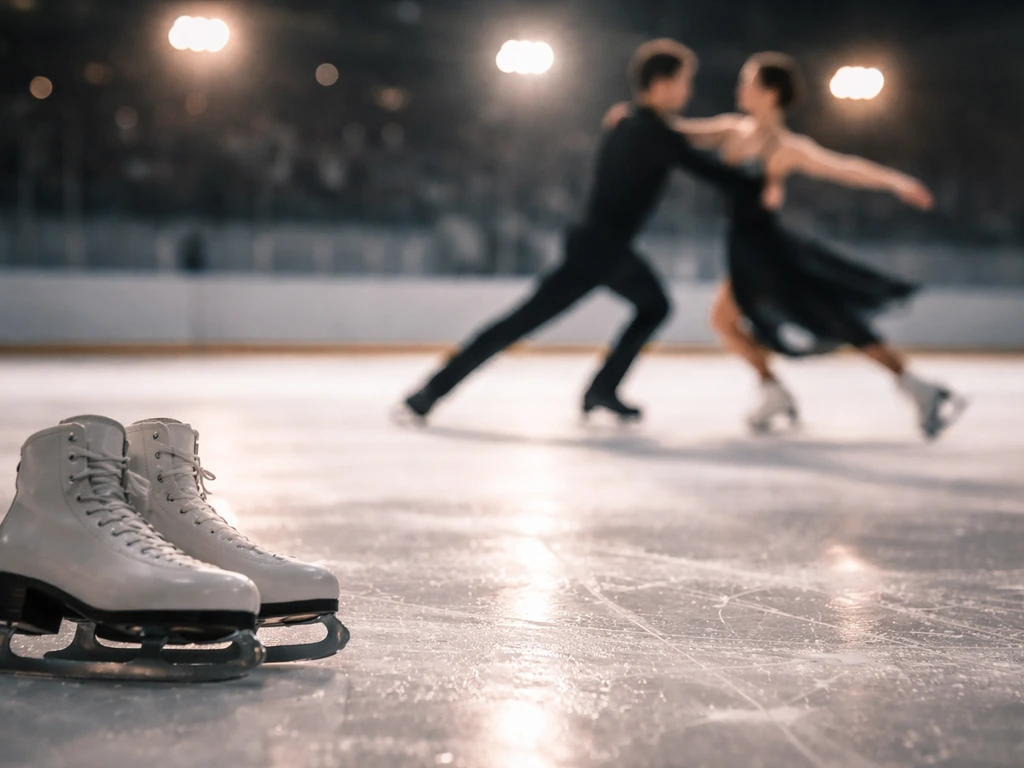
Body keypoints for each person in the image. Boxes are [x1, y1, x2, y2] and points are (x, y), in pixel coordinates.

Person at [398, 39, 761, 423]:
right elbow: (713, 173)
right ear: (661, 83)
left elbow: (684, 138)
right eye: (684, 81)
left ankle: (435, 392)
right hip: (603, 251)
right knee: (534, 321)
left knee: (636, 309)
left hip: (597, 245)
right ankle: (595, 389)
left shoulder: (632, 124)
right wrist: (763, 182)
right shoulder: (653, 133)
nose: (688, 90)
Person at [605, 52, 966, 438]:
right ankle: (777, 389)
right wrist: (633, 115)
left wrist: (896, 182)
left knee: (826, 317)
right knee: (729, 321)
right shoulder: (732, 130)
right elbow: (674, 133)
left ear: (771, 93)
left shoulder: (786, 146)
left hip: (768, 251)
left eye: (749, 81)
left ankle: (915, 387)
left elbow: (844, 167)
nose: (740, 88)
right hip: (743, 249)